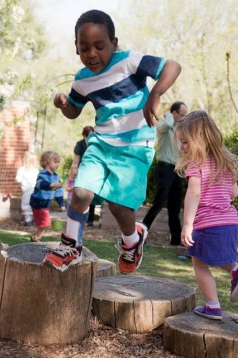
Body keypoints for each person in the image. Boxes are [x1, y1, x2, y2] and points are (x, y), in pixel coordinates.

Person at [43, 9, 181, 274]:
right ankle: (70, 245)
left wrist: (155, 94)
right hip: (101, 142)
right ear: (76, 48)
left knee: (118, 206)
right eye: (85, 48)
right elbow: (74, 110)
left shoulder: (128, 61)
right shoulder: (83, 79)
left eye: (99, 46)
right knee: (81, 193)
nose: (92, 53)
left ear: (114, 43)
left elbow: (172, 67)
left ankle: (132, 241)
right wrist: (62, 103)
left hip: (134, 145)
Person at [175, 110, 238, 320]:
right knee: (218, 258)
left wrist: (188, 224)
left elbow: (193, 193)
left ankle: (212, 305)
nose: (182, 147)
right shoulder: (227, 163)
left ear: (199, 140)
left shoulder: (197, 164)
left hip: (207, 223)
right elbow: (233, 193)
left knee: (199, 262)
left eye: (185, 142)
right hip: (229, 222)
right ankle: (236, 269)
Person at [142, 101, 188, 245]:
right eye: (182, 115)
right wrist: (168, 115)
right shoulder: (164, 125)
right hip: (164, 168)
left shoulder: (179, 131)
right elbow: (166, 125)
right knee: (158, 203)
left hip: (176, 171)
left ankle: (175, 240)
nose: (183, 118)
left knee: (174, 207)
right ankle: (141, 233)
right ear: (174, 113)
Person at [30, 151, 66, 242]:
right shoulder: (42, 174)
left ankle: (36, 238)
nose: (57, 164)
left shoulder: (56, 176)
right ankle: (36, 238)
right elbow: (39, 184)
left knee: (45, 224)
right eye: (55, 162)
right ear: (47, 162)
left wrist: (61, 203)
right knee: (45, 223)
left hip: (45, 204)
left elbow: (58, 192)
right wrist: (51, 185)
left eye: (58, 162)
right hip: (38, 202)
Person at [73, 125, 96, 227]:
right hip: (82, 171)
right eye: (88, 136)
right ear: (84, 136)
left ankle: (90, 219)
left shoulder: (96, 144)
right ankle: (78, 218)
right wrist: (74, 170)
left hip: (93, 172)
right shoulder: (80, 145)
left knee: (91, 196)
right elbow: (75, 161)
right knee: (80, 195)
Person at [15, 151, 39, 226]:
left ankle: (28, 220)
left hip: (26, 190)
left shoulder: (21, 170)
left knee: (26, 205)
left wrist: (17, 179)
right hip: (35, 190)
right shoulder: (35, 171)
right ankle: (33, 218)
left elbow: (18, 179)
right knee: (33, 204)